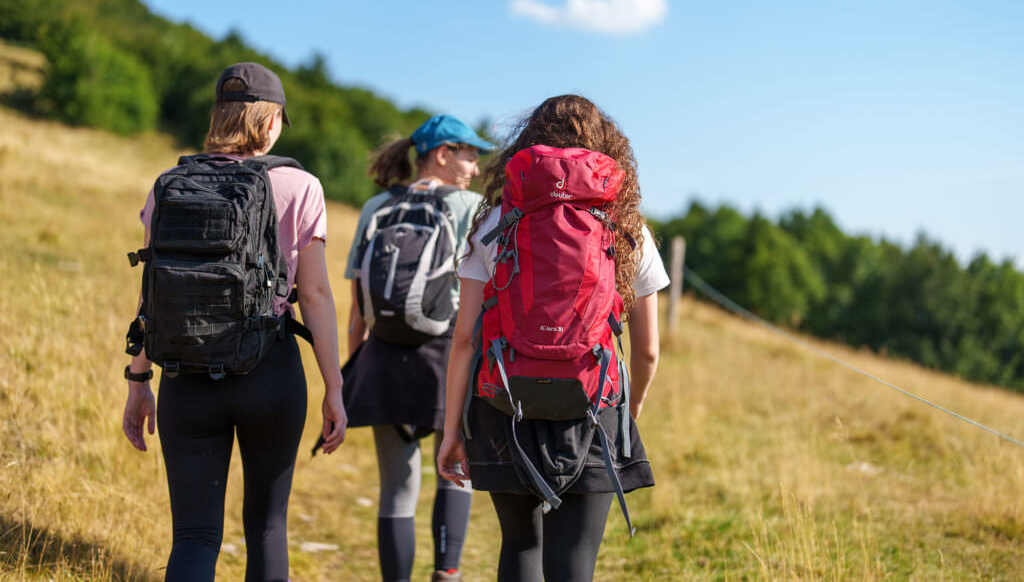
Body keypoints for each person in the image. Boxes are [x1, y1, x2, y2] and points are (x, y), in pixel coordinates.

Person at [121, 62, 347, 581]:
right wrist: (334, 386)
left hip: (185, 372)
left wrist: (139, 379)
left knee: (195, 537)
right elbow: (313, 295)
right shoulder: (301, 184)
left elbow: (153, 291)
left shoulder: (170, 184)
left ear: (219, 115)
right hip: (268, 372)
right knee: (267, 527)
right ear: (271, 124)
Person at [436, 95, 669, 581]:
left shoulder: (495, 222)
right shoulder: (627, 227)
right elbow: (647, 349)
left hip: (504, 400)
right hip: (594, 404)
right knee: (574, 562)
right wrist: (633, 407)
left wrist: (453, 429)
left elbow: (463, 340)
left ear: (528, 147)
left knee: (520, 546)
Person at [343, 114, 495, 582]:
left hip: (383, 354)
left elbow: (357, 307)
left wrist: (354, 365)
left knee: (396, 488)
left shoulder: (375, 207)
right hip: (448, 352)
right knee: (458, 469)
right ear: (443, 153)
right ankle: (447, 574)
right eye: (470, 155)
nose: (474, 166)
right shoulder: (472, 207)